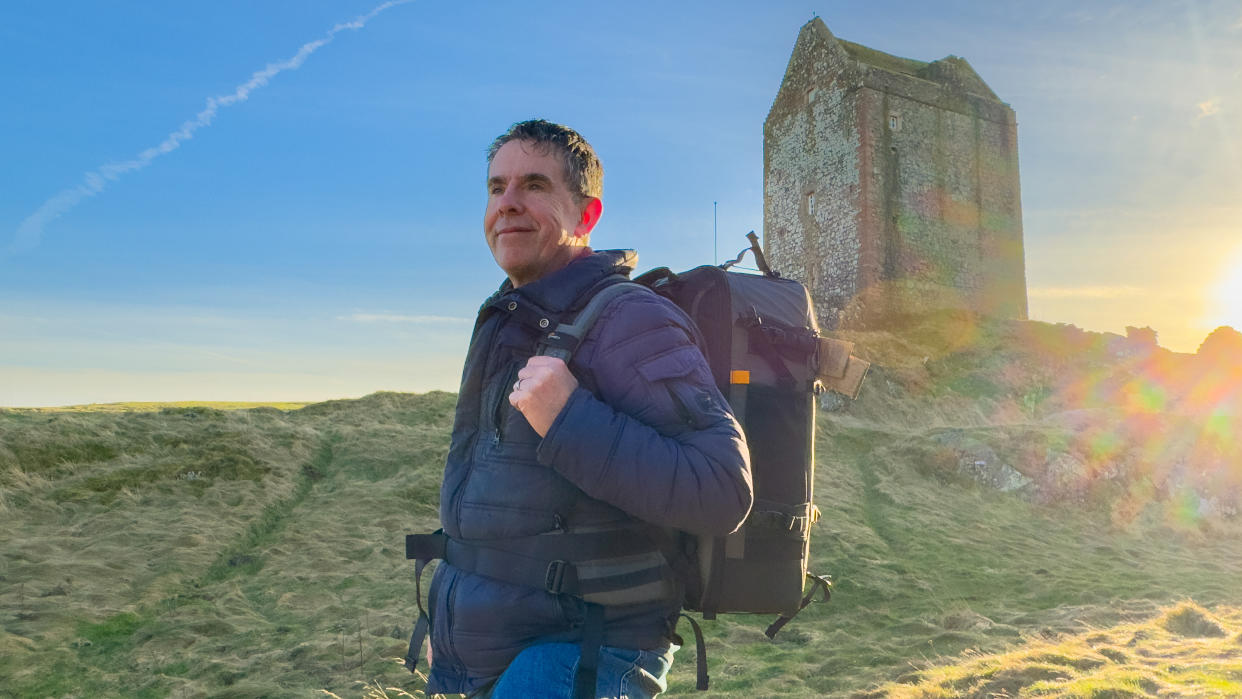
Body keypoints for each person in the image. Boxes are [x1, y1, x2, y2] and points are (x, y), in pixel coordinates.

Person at [422, 119, 753, 698]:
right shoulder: (510, 318)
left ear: (587, 215)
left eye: (535, 186)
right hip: (482, 652)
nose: (509, 204)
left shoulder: (630, 319)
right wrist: (448, 617)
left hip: (578, 655)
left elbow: (721, 488)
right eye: (496, 188)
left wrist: (570, 419)